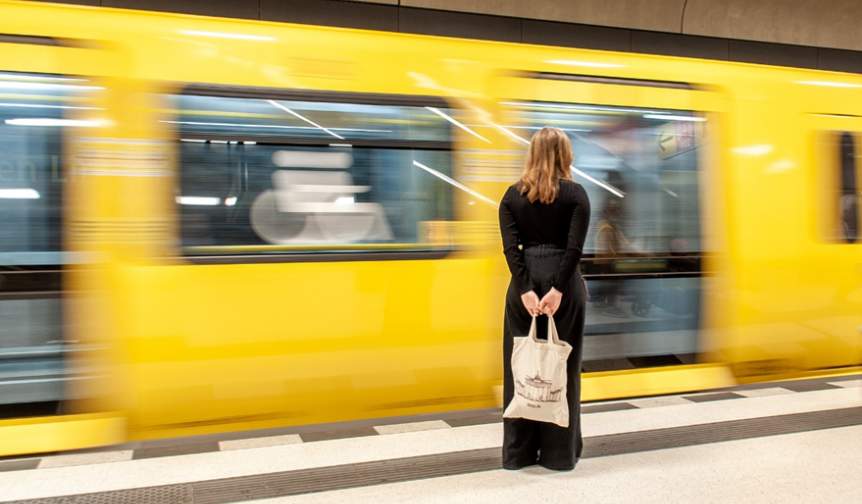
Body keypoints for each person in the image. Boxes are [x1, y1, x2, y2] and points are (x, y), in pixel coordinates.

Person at [498, 127, 591, 471]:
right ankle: (558, 454)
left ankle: (518, 454)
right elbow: (574, 249)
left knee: (520, 367)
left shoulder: (511, 197)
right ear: (565, 155)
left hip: (522, 288)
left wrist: (525, 289)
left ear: (532, 154)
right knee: (563, 368)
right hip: (563, 286)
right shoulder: (577, 195)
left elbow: (511, 249)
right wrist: (558, 289)